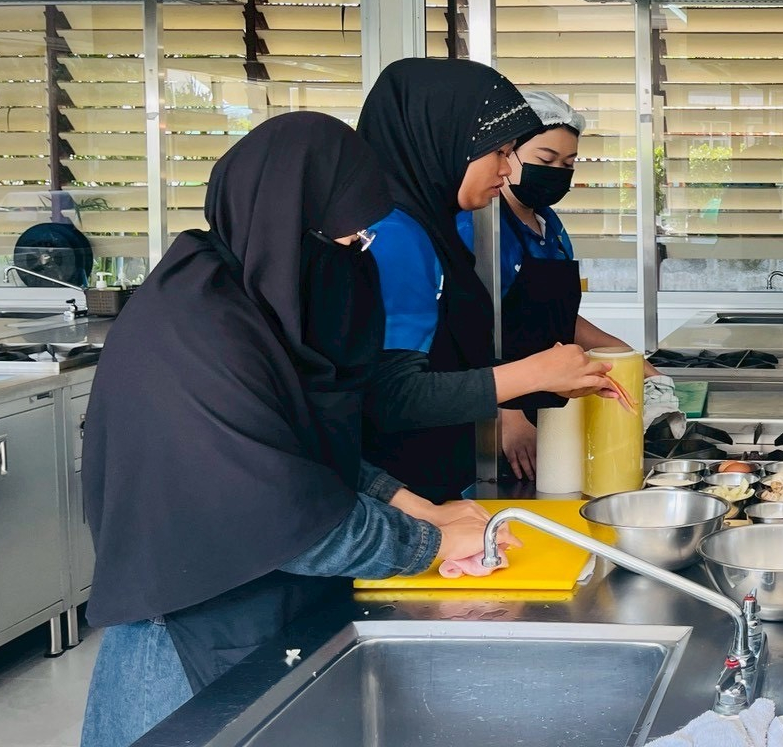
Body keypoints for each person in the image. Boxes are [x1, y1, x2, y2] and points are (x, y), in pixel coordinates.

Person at [78, 114, 517, 747]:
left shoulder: (251, 307)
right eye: (347, 239)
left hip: (264, 618)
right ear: (290, 221)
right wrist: (430, 543)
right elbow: (283, 517)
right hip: (184, 646)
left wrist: (419, 506)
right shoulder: (195, 334)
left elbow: (302, 452)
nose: (355, 257)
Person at [357, 59, 615, 501]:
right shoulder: (396, 235)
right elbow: (392, 394)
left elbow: (453, 354)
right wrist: (528, 379)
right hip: (406, 485)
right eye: (498, 152)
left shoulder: (435, 229)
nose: (506, 169)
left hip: (439, 474)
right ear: (444, 140)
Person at [456, 92, 650, 479]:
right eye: (545, 161)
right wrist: (507, 416)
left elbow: (557, 318)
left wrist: (632, 359)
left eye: (568, 163)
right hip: (494, 410)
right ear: (506, 154)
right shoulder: (477, 227)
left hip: (552, 397)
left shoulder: (550, 225)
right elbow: (465, 331)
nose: (557, 172)